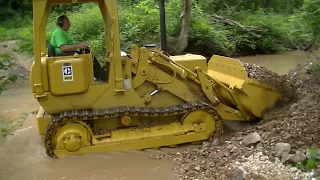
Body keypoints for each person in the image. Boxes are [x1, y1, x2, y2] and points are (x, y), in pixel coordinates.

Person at [50, 15, 107, 81]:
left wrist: (79, 45)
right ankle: (102, 75)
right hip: (63, 55)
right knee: (87, 54)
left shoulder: (62, 32)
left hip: (67, 53)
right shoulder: (59, 33)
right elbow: (63, 48)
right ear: (61, 23)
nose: (69, 24)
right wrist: (77, 46)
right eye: (67, 22)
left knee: (87, 52)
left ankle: (100, 73)